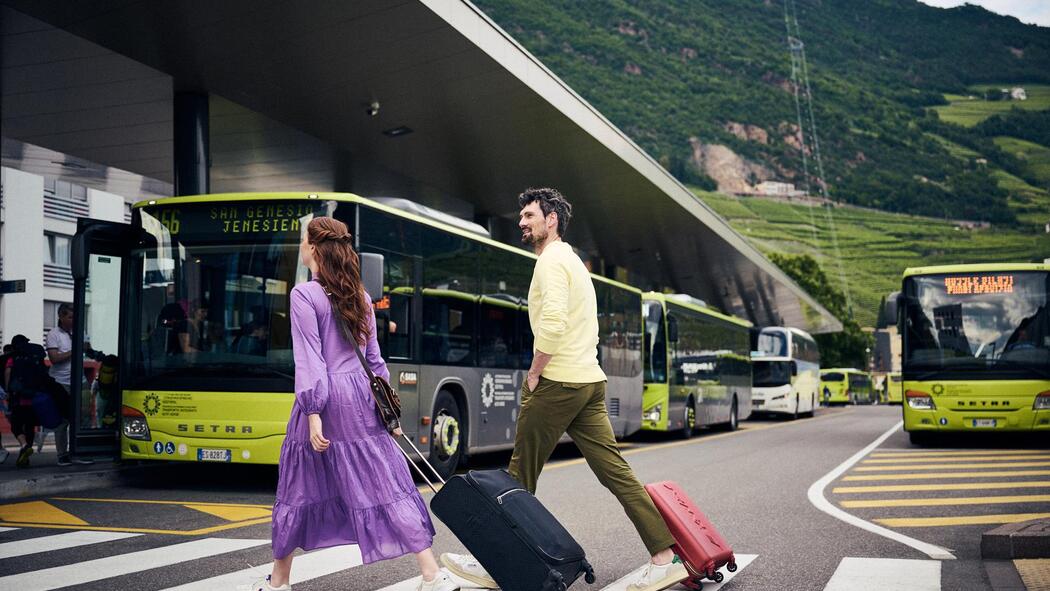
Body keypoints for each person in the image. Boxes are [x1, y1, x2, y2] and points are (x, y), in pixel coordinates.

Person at [442, 188, 684, 591]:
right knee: (616, 473)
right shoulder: (573, 261)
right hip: (589, 380)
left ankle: (495, 561)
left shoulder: (551, 262)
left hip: (558, 381)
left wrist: (536, 372)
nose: (522, 222)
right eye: (521, 216)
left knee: (519, 474)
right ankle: (665, 556)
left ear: (551, 219)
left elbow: (553, 323)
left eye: (529, 215)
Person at [254, 217, 456, 591]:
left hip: (326, 397)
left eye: (302, 241)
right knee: (382, 480)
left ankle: (279, 581)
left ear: (314, 249)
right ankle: (431, 574)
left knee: (300, 487)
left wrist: (313, 412)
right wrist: (391, 416)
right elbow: (375, 360)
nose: (300, 247)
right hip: (362, 398)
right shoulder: (360, 296)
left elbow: (310, 359)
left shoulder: (304, 295)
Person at [45, 303, 94, 466]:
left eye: (75, 317)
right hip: (61, 382)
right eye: (70, 317)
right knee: (64, 420)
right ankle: (62, 454)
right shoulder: (53, 334)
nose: (73, 320)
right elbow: (54, 359)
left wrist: (87, 348)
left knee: (84, 417)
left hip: (80, 381)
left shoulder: (80, 331)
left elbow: (88, 350)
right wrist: (75, 349)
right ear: (61, 316)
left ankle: (80, 451)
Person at [4, 335, 42, 468]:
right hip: (33, 398)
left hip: (18, 399)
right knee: (30, 427)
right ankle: (24, 458)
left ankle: (24, 446)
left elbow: (8, 374)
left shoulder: (13, 358)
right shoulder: (34, 357)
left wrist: (9, 391)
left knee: (16, 426)